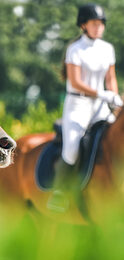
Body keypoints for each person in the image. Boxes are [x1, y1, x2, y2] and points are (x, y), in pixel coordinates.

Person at [47, 3, 123, 212]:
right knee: (71, 149)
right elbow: (76, 81)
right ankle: (59, 193)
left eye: (101, 24)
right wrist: (102, 93)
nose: (99, 28)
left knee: (115, 139)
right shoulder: (75, 49)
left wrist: (114, 98)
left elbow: (111, 78)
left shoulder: (107, 49)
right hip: (77, 105)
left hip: (101, 106)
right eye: (95, 24)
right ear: (83, 25)